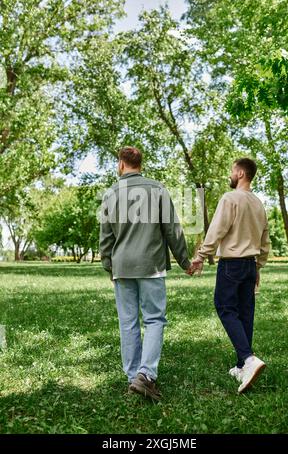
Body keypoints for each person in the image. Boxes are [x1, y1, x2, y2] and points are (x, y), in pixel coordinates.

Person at [100, 146, 191, 401]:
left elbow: (105, 237)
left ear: (121, 165)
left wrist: (109, 265)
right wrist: (185, 262)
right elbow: (173, 230)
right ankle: (146, 375)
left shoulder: (110, 193)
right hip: (151, 265)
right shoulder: (157, 189)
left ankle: (133, 378)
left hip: (122, 266)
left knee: (127, 322)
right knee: (154, 320)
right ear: (140, 164)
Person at [188, 158, 270, 393]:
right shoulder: (259, 204)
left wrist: (201, 256)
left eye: (232, 170)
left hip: (232, 264)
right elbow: (265, 240)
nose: (230, 174)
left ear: (242, 173)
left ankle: (248, 357)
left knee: (224, 307)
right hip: (250, 265)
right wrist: (259, 267)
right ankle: (241, 365)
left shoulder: (230, 198)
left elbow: (216, 231)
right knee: (245, 313)